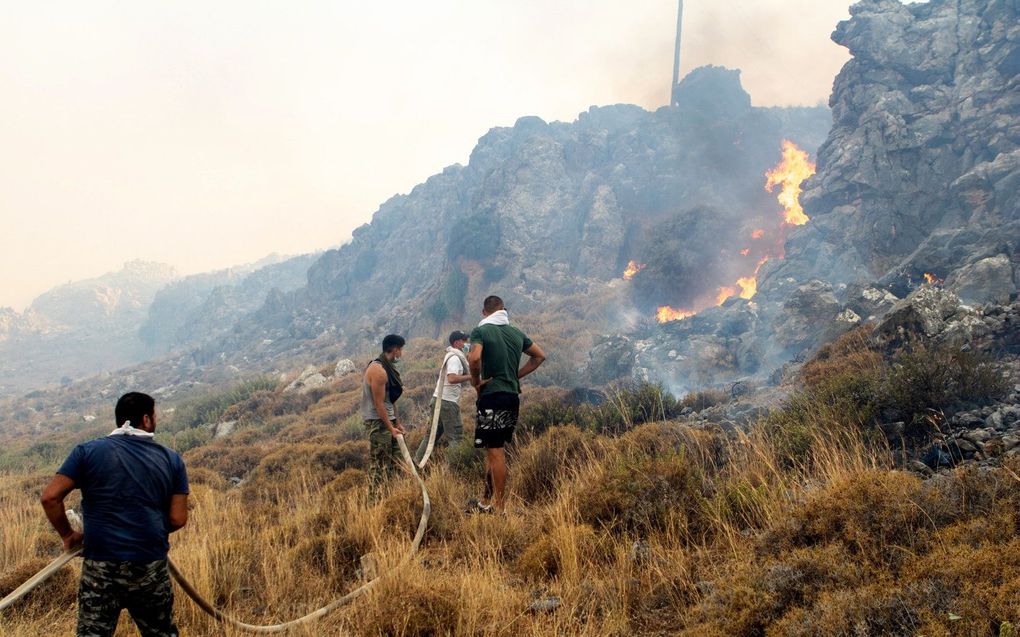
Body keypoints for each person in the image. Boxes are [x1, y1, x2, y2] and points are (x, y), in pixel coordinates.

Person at [40, 392, 189, 637]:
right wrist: (145, 528)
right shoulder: (171, 459)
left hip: (101, 565)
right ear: (147, 419)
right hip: (148, 564)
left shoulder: (86, 452)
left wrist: (68, 535)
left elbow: (50, 497)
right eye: (155, 415)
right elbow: (177, 519)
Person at [468, 296, 546, 512]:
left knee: (495, 451)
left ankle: (500, 508)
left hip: (492, 396)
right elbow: (539, 356)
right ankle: (485, 501)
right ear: (503, 310)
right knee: (493, 448)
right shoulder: (516, 332)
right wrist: (514, 375)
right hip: (512, 397)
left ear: (485, 313)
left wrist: (475, 381)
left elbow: (474, 359)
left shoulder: (481, 331)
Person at [415, 330, 472, 465]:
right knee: (455, 438)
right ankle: (451, 470)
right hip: (447, 402)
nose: (466, 343)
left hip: (438, 400)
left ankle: (416, 464)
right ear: (457, 342)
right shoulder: (455, 358)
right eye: (464, 341)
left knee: (431, 436)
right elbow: (451, 378)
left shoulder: (453, 356)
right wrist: (472, 376)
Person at [362, 333, 406, 501]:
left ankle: (393, 498)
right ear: (394, 349)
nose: (401, 353)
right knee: (380, 465)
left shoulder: (388, 368)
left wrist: (397, 423)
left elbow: (390, 400)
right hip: (378, 422)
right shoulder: (378, 370)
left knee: (397, 461)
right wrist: (390, 428)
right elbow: (379, 404)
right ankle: (374, 503)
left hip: (389, 421)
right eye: (400, 349)